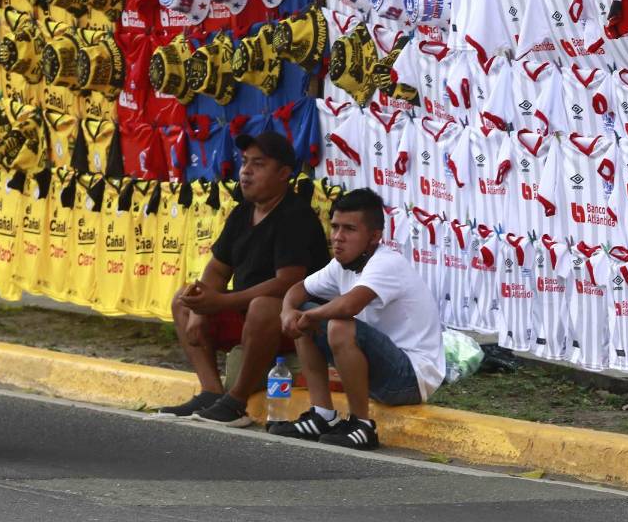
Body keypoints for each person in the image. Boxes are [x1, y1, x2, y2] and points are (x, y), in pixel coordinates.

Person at [157, 130, 330, 427]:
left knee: (263, 306)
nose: (246, 171)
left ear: (284, 174)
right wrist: (201, 307)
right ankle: (212, 392)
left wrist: (220, 301)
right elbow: (217, 269)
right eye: (244, 162)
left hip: (297, 321)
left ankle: (236, 403)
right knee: (183, 301)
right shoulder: (242, 212)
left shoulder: (294, 215)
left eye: (258, 164)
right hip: (246, 313)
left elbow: (287, 282)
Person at [274, 188, 446, 450]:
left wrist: (307, 315)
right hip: (379, 369)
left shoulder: (386, 263)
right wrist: (288, 311)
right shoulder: (342, 264)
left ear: (374, 236)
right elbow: (298, 290)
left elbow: (348, 306)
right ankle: (322, 415)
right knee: (306, 319)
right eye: (334, 227)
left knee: (338, 325)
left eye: (349, 230)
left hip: (411, 378)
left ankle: (362, 425)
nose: (338, 238)